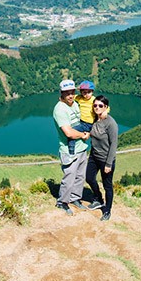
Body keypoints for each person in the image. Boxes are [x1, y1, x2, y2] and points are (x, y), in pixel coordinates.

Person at [53, 79, 90, 215]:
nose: (70, 95)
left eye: (72, 92)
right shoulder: (60, 109)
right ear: (61, 94)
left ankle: (75, 198)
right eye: (67, 93)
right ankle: (62, 202)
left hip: (82, 148)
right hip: (69, 151)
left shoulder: (74, 104)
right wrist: (83, 135)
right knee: (69, 177)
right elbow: (68, 132)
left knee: (80, 176)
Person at [85, 95, 118, 221]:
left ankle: (107, 210)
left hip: (105, 159)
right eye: (95, 105)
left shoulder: (111, 123)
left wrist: (109, 164)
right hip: (94, 156)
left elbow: (113, 144)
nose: (97, 108)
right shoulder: (94, 119)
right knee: (89, 178)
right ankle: (98, 198)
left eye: (100, 105)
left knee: (107, 185)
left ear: (106, 107)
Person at [67, 80, 95, 154]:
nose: (86, 95)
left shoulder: (94, 100)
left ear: (92, 91)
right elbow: (72, 97)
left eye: (89, 92)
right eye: (84, 92)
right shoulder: (79, 98)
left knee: (71, 132)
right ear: (81, 92)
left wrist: (105, 111)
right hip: (82, 122)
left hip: (88, 124)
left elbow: (105, 106)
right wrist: (63, 99)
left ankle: (71, 152)